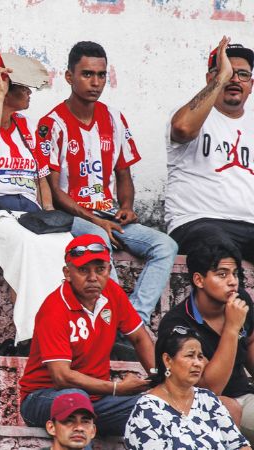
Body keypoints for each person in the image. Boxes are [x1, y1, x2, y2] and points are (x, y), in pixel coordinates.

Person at [36, 41, 178, 326]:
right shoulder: (51, 123)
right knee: (99, 242)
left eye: (101, 75)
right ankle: (112, 321)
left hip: (109, 215)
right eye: (87, 74)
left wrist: (126, 206)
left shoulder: (114, 118)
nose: (96, 82)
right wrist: (94, 220)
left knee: (166, 245)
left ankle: (133, 318)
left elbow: (123, 173)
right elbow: (52, 190)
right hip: (73, 216)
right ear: (68, 77)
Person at [0, 52, 72, 345]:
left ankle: (69, 330)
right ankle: (34, 335)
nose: (29, 92)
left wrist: (50, 217)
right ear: (2, 86)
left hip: (27, 214)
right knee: (27, 243)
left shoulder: (28, 127)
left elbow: (42, 179)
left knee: (65, 245)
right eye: (22, 86)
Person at [18, 234, 155, 436]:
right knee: (77, 402)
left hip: (97, 399)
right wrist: (116, 388)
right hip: (41, 398)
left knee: (157, 408)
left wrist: (159, 379)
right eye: (83, 270)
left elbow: (139, 338)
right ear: (67, 272)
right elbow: (61, 376)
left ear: (109, 270)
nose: (93, 278)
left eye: (100, 270)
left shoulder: (113, 293)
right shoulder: (54, 308)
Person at [158, 234, 254, 442]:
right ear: (199, 280)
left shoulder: (241, 300)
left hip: (244, 396)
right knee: (227, 407)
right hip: (196, 407)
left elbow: (251, 341)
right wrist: (231, 329)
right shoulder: (179, 324)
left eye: (235, 274)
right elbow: (210, 389)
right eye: (222, 274)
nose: (232, 282)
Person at [166, 37, 254, 265]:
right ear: (210, 78)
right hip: (196, 222)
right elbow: (183, 129)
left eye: (242, 74)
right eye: (227, 72)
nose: (235, 79)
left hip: (249, 226)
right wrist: (220, 79)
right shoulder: (190, 114)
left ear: (251, 85)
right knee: (220, 250)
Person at [125, 325, 251, 450]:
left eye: (200, 357)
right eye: (190, 355)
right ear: (168, 360)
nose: (197, 363)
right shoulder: (147, 410)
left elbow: (239, 445)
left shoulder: (208, 400)